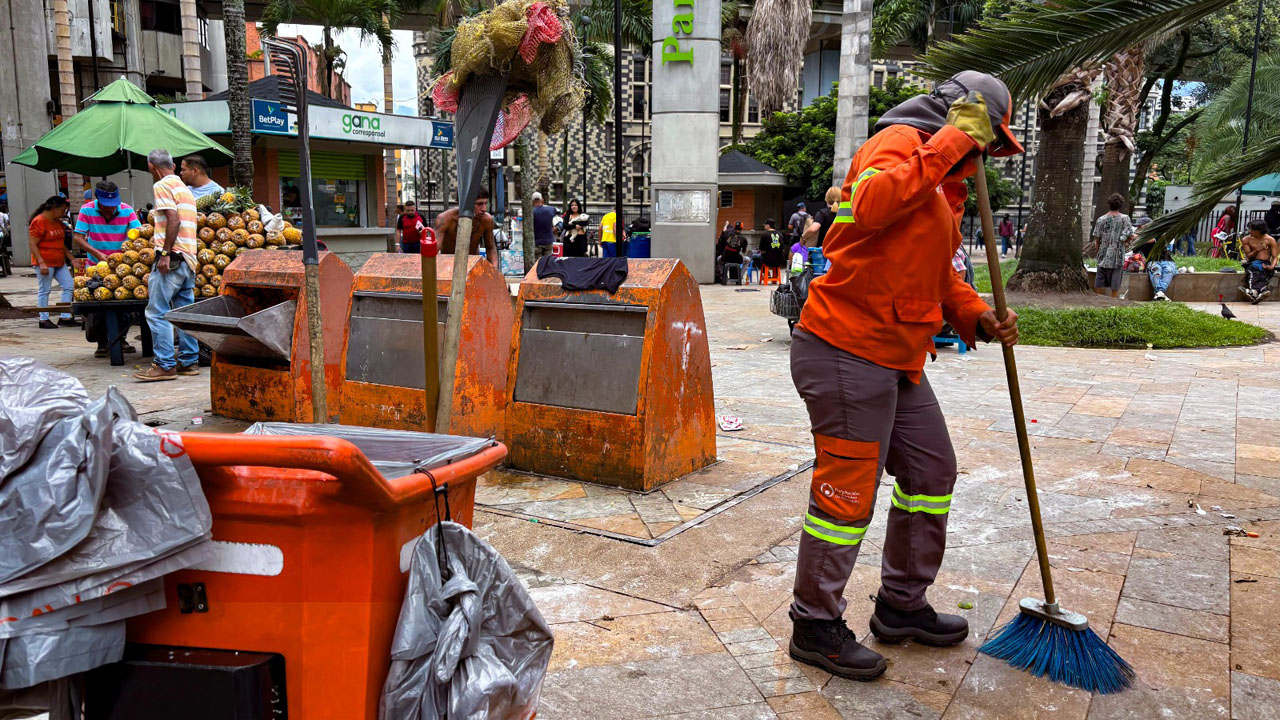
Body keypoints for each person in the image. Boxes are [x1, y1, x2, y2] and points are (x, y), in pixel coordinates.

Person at [787, 71, 1021, 682]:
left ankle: (900, 605)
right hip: (843, 345)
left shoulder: (944, 184)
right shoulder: (897, 144)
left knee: (930, 470)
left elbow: (937, 276)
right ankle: (814, 623)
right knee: (847, 491)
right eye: (986, 140)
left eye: (988, 147)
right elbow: (868, 206)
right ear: (961, 120)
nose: (983, 158)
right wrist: (947, 142)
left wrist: (979, 315)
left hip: (897, 354)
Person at [135, 149, 200, 382]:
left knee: (156, 312)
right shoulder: (185, 189)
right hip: (189, 258)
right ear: (172, 166)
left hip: (172, 258)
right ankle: (189, 362)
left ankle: (164, 365)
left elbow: (174, 219)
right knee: (184, 312)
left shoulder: (163, 186)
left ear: (152, 166)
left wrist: (165, 253)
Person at [74, 182, 144, 357]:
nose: (110, 209)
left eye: (113, 206)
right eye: (106, 206)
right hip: (95, 266)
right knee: (99, 307)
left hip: (121, 266)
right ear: (98, 200)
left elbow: (138, 236)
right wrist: (97, 254)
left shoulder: (127, 210)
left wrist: (128, 254)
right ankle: (102, 342)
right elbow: (78, 237)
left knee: (124, 305)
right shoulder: (86, 210)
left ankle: (121, 338)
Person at [28, 195, 75, 329]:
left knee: (69, 285)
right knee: (45, 290)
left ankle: (65, 317)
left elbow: (61, 243)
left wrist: (71, 258)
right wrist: (41, 262)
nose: (63, 213)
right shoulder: (39, 221)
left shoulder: (57, 222)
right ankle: (43, 319)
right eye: (63, 210)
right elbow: (33, 243)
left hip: (59, 261)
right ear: (55, 209)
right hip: (45, 261)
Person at [435, 189, 498, 264]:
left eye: (485, 203)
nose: (484, 209)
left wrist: (494, 272)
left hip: (472, 264)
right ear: (466, 204)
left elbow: (491, 249)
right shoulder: (445, 219)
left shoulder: (486, 220)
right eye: (479, 204)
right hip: (448, 263)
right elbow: (433, 251)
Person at [1090, 193, 1135, 298]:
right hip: (1118, 255)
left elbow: (1097, 239)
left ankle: (1098, 298)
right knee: (1115, 278)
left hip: (1103, 253)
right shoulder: (1125, 219)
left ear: (1109, 204)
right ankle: (1113, 299)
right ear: (1120, 205)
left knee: (1100, 277)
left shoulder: (1101, 219)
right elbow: (1129, 236)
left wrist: (1098, 251)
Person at [1240, 218, 1277, 303]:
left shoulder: (1270, 240)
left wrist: (1271, 266)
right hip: (1252, 263)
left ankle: (1253, 292)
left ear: (1259, 230)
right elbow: (1249, 256)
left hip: (1265, 263)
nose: (1250, 231)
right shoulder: (1246, 239)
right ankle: (1261, 291)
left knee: (1264, 272)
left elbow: (1275, 257)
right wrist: (1258, 249)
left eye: (1252, 230)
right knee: (1255, 271)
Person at [532, 192, 558, 258]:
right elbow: (557, 211)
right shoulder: (550, 209)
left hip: (536, 242)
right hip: (548, 241)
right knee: (547, 262)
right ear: (542, 200)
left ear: (532, 201)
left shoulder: (531, 212)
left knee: (538, 263)